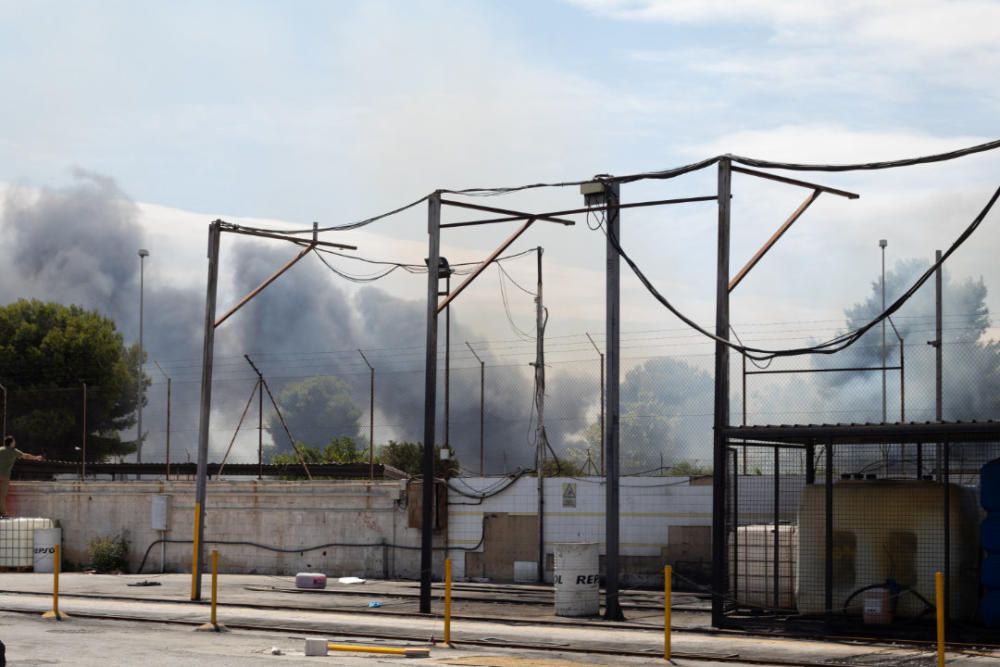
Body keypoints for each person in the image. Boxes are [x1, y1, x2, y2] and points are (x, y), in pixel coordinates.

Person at [0, 435, 43, 518]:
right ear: (11, 443)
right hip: (4, 476)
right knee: (2, 495)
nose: (15, 443)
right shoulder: (13, 451)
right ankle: (3, 513)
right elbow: (25, 456)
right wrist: (36, 457)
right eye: (14, 442)